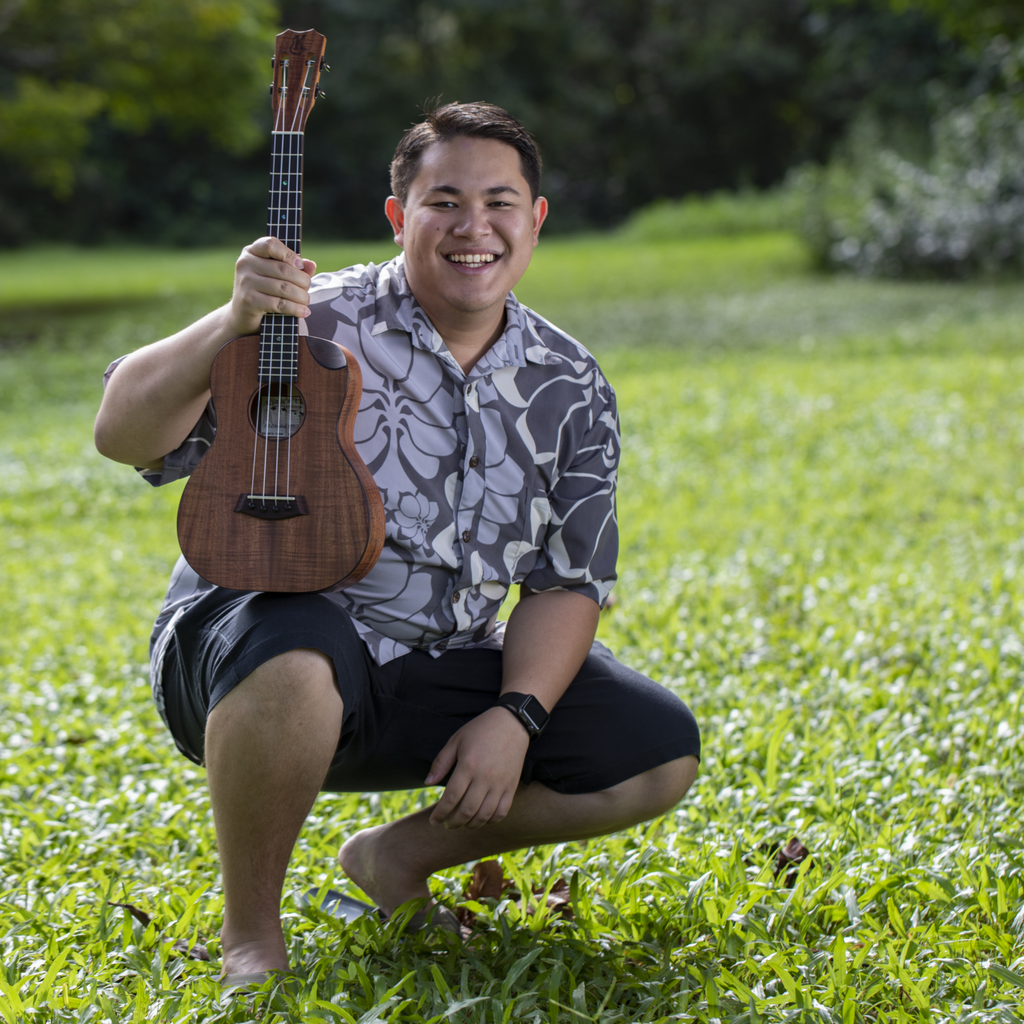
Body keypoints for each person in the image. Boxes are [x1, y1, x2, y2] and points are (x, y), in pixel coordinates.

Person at [94, 101, 700, 987]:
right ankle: (251, 936)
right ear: (398, 216)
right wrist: (229, 318)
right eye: (443, 201)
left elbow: (568, 583)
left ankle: (392, 860)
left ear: (534, 222)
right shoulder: (306, 323)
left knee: (656, 749)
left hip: (433, 663)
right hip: (246, 656)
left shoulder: (569, 385)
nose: (473, 227)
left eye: (499, 202)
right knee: (301, 645)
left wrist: (515, 713)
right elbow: (123, 433)